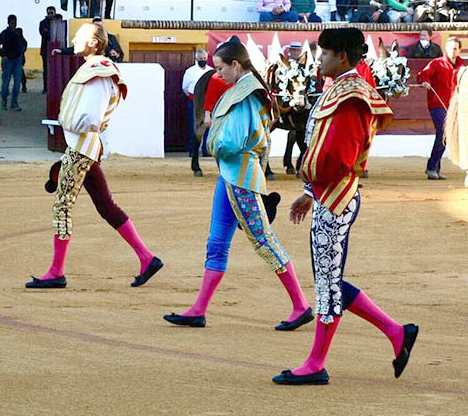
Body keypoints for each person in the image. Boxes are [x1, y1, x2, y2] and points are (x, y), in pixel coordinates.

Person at [273, 28, 418, 386]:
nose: (318, 59)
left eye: (324, 54)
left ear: (342, 57)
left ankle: (316, 363)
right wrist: (310, 189)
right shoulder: (341, 90)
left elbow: (340, 154)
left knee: (327, 283)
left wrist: (315, 182)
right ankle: (397, 333)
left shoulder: (351, 94)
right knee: (329, 279)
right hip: (329, 194)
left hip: (336, 197)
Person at [164, 39, 313, 330]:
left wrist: (212, 143)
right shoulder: (246, 91)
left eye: (220, 69)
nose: (217, 75)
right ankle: (198, 309)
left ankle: (301, 305)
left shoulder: (246, 94)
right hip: (231, 176)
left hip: (241, 176)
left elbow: (232, 141)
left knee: (263, 240)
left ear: (235, 64)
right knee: (217, 243)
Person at [25, 23, 163, 289]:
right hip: (85, 147)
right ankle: (147, 258)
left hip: (81, 148)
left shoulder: (99, 72)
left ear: (94, 43)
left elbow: (91, 118)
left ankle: (56, 272)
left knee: (62, 206)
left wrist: (68, 125)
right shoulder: (95, 68)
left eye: (80, 36)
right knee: (105, 205)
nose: (74, 38)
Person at [417, 37, 464, 180]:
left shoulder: (462, 67)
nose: (452, 51)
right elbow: (422, 75)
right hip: (437, 104)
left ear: (459, 50)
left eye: (455, 48)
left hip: (454, 106)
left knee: (446, 135)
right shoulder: (437, 63)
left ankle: (435, 168)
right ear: (446, 48)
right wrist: (425, 81)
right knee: (443, 132)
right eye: (450, 48)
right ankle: (431, 167)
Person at [182, 50, 213, 156]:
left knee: (209, 125)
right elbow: (185, 87)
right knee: (193, 125)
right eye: (200, 59)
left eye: (204, 59)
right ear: (196, 59)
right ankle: (192, 150)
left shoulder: (211, 71)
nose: (202, 61)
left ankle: (206, 150)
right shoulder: (190, 71)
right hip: (194, 100)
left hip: (208, 100)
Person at [0, 15, 27, 111]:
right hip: (8, 60)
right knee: (6, 83)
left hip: (17, 60)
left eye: (15, 22)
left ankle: (14, 103)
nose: (14, 24)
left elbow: (25, 43)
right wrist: (3, 55)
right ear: (8, 23)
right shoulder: (5, 33)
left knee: (17, 83)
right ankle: (4, 102)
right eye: (12, 22)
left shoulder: (18, 32)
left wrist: (22, 52)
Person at [39, 6, 59, 94]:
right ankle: (46, 87)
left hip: (56, 48)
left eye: (52, 13)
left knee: (56, 69)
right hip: (45, 49)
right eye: (49, 13)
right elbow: (43, 33)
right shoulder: (43, 23)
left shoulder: (58, 22)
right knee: (46, 70)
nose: (50, 15)